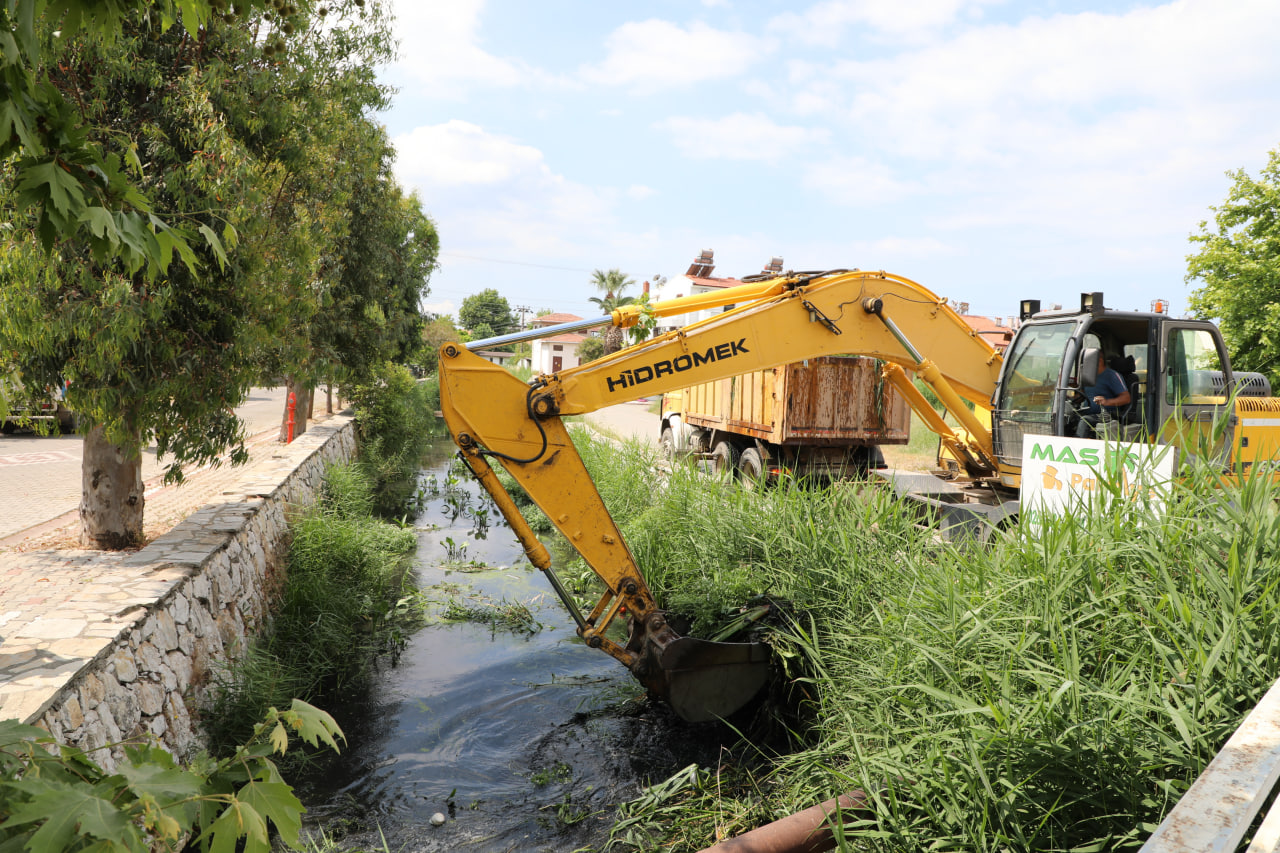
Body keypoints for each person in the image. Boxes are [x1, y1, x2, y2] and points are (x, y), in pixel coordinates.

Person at [1075, 352, 1131, 437]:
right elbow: (1082, 396)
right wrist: (1070, 398)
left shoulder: (1112, 376)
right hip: (1088, 412)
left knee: (1084, 421)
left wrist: (1106, 402)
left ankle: (1076, 446)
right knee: (1069, 418)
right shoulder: (1087, 376)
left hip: (1106, 414)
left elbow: (1126, 398)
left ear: (1099, 361)